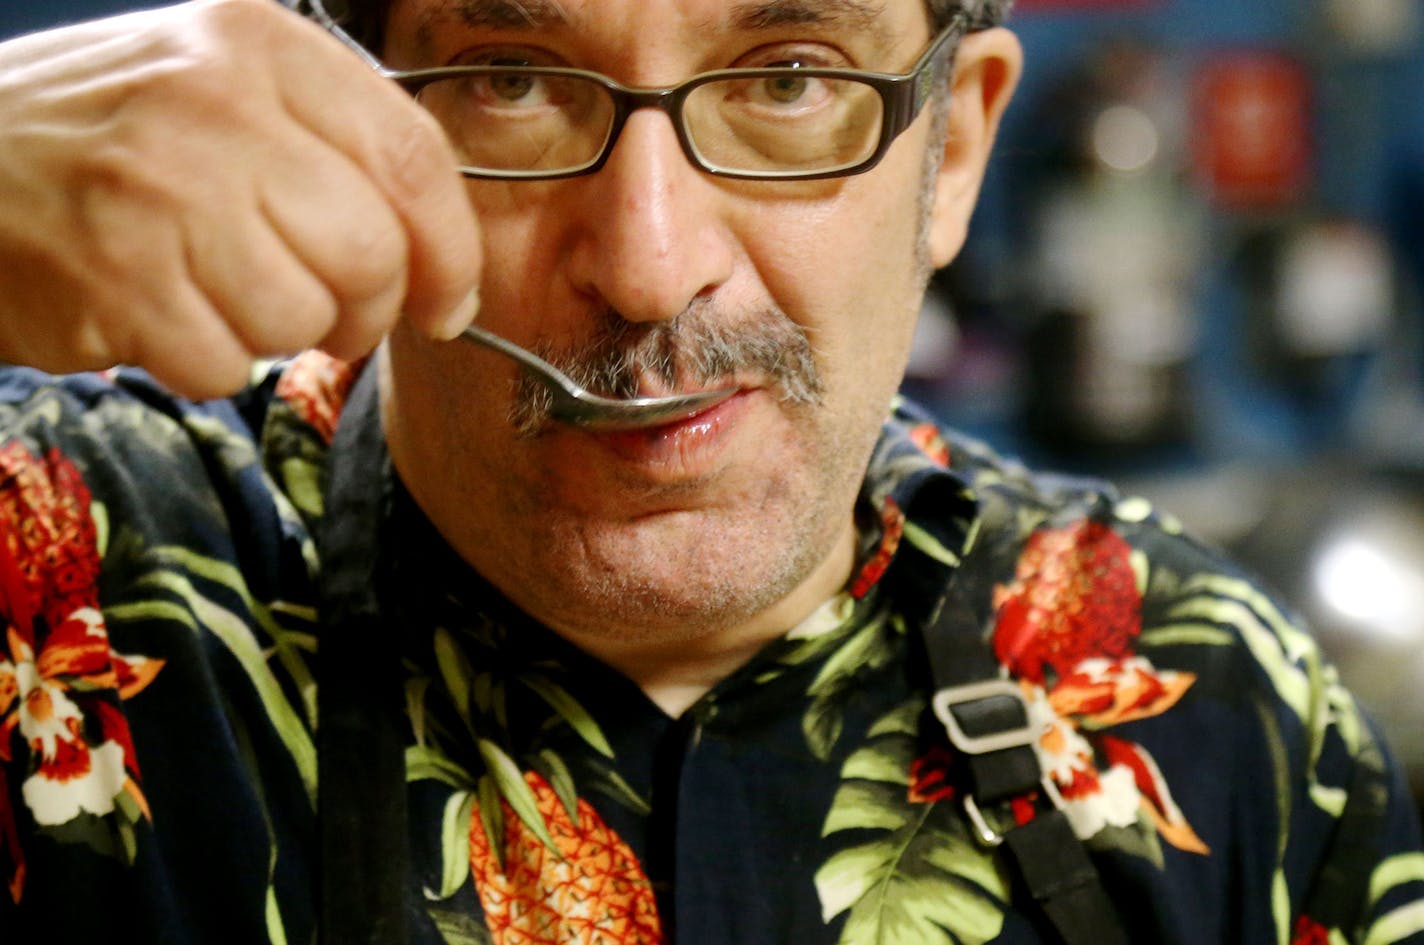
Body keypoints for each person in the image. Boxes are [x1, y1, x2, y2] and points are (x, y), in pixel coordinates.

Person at [0, 0, 1421, 942]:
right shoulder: (59, 593)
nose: (648, 260)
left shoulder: (1218, 708)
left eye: (789, 80)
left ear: (959, 149)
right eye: (510, 80)